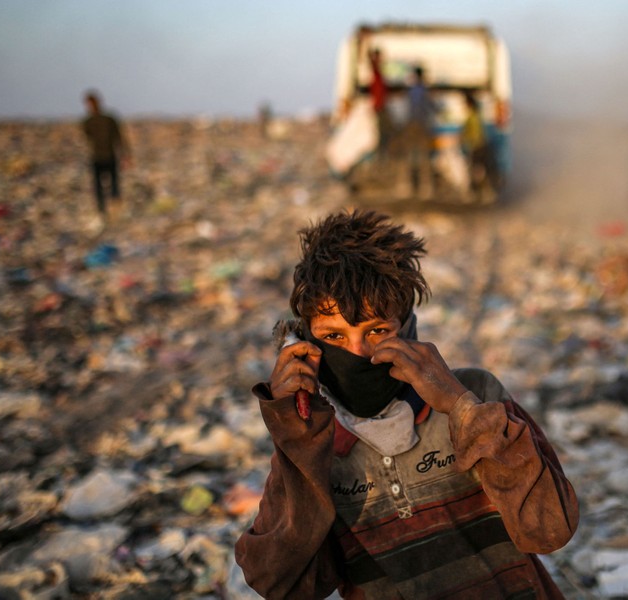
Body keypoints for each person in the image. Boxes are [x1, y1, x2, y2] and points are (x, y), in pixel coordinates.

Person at [235, 210, 579, 599]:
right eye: (333, 336)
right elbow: (283, 584)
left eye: (378, 331)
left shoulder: (478, 394)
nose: (358, 352)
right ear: (306, 345)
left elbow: (549, 530)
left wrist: (460, 406)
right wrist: (294, 441)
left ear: (408, 330)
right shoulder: (315, 440)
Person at [81, 90, 129, 219]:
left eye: (93, 103)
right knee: (98, 186)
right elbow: (88, 137)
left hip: (110, 156)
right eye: (90, 104)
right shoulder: (88, 122)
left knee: (114, 184)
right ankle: (102, 212)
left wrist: (126, 155)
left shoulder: (109, 120)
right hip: (97, 157)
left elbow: (119, 138)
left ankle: (116, 211)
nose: (92, 106)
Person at [402, 65, 437, 198]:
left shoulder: (411, 91)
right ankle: (425, 186)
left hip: (411, 125)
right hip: (421, 126)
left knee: (410, 156)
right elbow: (431, 107)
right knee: (424, 156)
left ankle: (408, 185)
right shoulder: (424, 90)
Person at [460, 92, 497, 197]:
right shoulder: (477, 115)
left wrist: (465, 140)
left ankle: (480, 191)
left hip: (477, 147)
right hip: (480, 145)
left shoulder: (471, 117)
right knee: (480, 169)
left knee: (477, 170)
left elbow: (472, 134)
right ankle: (484, 190)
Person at [367, 47, 390, 159]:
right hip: (379, 107)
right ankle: (381, 155)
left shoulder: (378, 73)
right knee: (382, 133)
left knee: (384, 132)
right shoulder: (375, 73)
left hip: (380, 106)